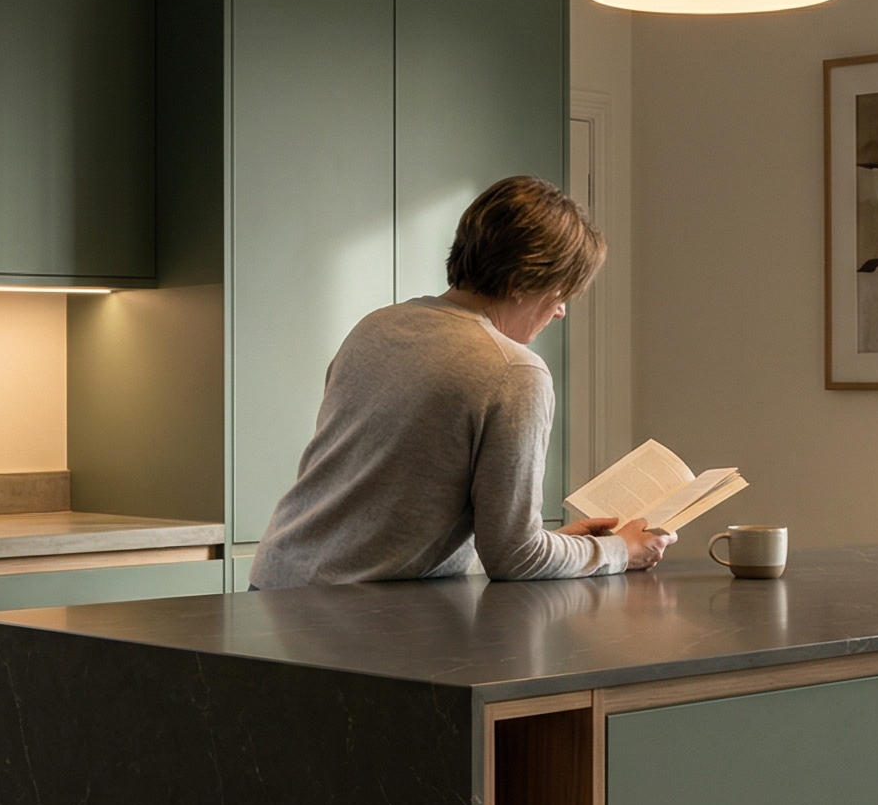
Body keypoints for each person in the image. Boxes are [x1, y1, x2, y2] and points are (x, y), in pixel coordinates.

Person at [249, 176, 673, 589]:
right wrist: (622, 550)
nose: (560, 310)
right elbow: (516, 556)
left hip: (275, 585)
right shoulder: (515, 370)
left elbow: (389, 500)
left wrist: (562, 546)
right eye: (559, 291)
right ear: (523, 281)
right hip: (353, 614)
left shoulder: (375, 327)